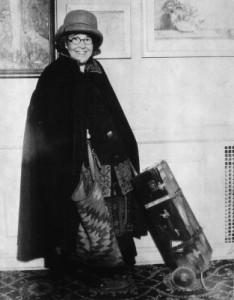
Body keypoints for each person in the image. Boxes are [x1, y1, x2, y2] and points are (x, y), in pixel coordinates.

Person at [17, 9, 147, 283]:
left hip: (107, 158)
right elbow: (44, 126)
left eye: (86, 39)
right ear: (65, 44)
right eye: (75, 39)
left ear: (94, 44)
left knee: (113, 212)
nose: (81, 45)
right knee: (80, 213)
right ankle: (81, 270)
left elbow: (111, 114)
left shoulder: (97, 71)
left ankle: (112, 267)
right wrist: (68, 155)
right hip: (72, 161)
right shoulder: (55, 75)